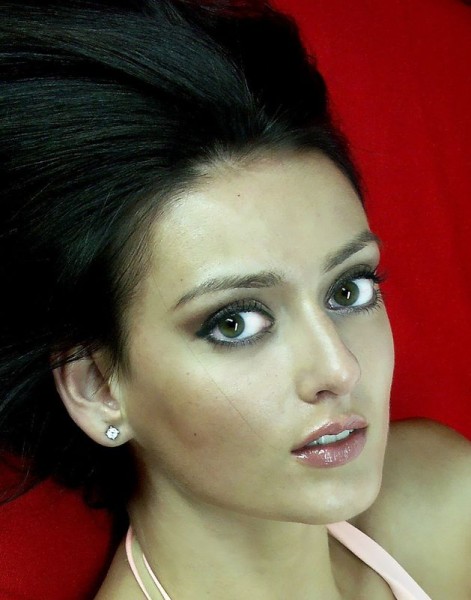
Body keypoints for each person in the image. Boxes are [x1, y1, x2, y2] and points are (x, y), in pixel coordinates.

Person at [0, 1, 469, 598]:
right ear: (99, 387)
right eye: (236, 323)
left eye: (348, 290)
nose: (340, 369)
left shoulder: (443, 499)